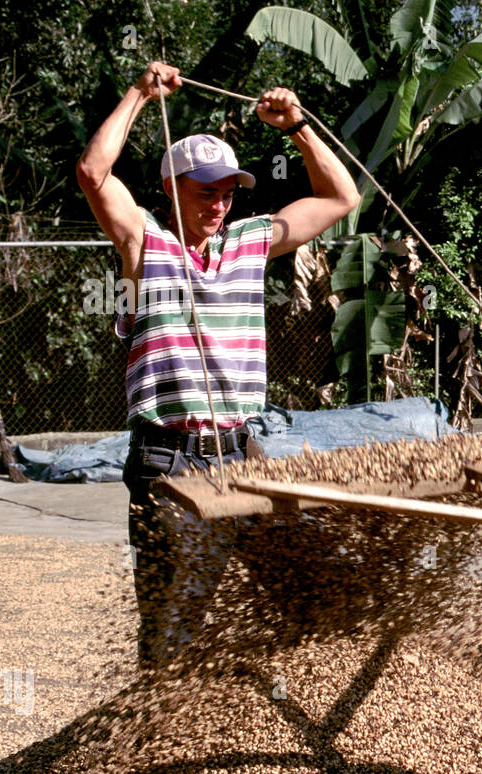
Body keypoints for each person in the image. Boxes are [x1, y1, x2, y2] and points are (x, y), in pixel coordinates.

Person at [76, 61, 358, 668]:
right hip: (166, 458)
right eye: (207, 192)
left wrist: (298, 127)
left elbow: (343, 197)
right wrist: (139, 95)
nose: (221, 205)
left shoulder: (249, 241)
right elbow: (93, 172)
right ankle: (157, 723)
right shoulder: (144, 242)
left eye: (229, 192)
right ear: (173, 189)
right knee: (176, 622)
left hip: (240, 451)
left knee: (306, 585)